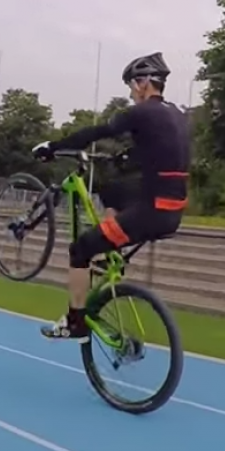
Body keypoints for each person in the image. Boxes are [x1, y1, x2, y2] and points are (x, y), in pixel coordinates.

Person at [30, 52, 191, 340]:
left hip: (150, 212)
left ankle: (74, 322)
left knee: (79, 249)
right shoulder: (177, 114)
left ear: (143, 83)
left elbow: (96, 132)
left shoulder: (142, 112)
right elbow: (158, 152)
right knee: (112, 189)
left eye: (132, 86)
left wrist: (52, 147)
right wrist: (121, 158)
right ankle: (109, 254)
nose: (131, 93)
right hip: (172, 210)